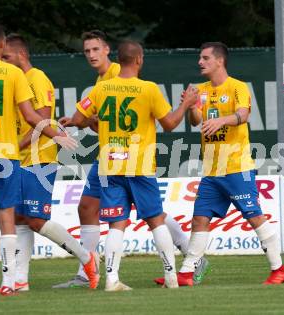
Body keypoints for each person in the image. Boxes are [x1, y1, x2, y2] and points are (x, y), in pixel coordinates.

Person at [54, 30, 209, 288]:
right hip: (139, 164)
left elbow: (79, 120)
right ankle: (171, 276)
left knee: (116, 223)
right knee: (155, 218)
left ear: (115, 57)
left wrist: (93, 122)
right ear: (139, 60)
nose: (91, 55)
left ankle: (112, 279)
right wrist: (186, 104)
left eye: (95, 50)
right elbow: (170, 124)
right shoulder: (147, 88)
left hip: (110, 164)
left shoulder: (101, 87)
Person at [0, 22, 76, 296]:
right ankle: (8, 281)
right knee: (7, 215)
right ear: (1, 43)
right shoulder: (12, 74)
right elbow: (32, 116)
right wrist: (57, 136)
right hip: (5, 154)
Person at [155, 42, 284, 286]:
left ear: (220, 61)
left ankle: (279, 269)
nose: (200, 62)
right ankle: (186, 273)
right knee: (200, 219)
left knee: (254, 216)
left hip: (237, 167)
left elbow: (243, 115)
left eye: (205, 58)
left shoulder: (237, 86)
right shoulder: (201, 90)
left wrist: (221, 121)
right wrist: (191, 105)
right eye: (200, 57)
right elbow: (197, 122)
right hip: (212, 170)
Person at [0, 33, 99, 292]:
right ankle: (20, 280)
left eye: (7, 57)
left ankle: (86, 258)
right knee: (19, 218)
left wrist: (15, 147)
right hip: (22, 159)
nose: (3, 61)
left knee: (36, 219)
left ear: (22, 55)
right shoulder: (16, 80)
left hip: (39, 159)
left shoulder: (36, 78)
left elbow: (44, 121)